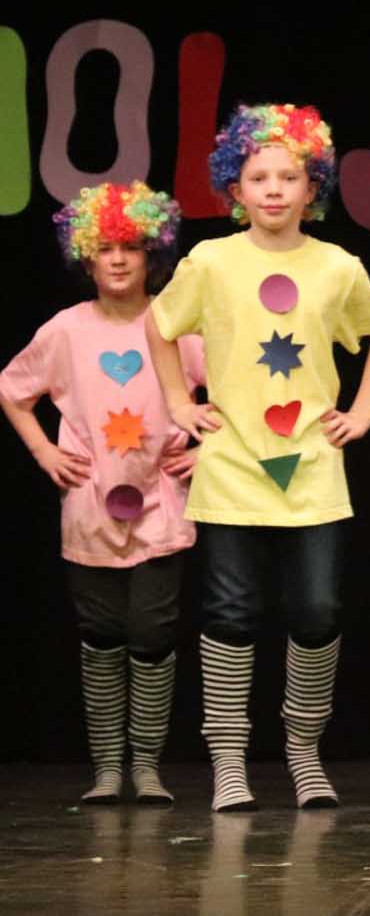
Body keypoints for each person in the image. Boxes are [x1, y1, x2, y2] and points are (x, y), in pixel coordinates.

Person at [146, 103, 370, 813]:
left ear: (312, 185)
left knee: (317, 610)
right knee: (230, 611)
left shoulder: (337, 267)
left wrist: (365, 410)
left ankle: (303, 749)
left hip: (311, 465)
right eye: (258, 177)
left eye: (289, 176)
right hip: (232, 464)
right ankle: (229, 760)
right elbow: (160, 325)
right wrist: (178, 402)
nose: (274, 189)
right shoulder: (211, 261)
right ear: (235, 187)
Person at [2, 182, 200, 804]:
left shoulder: (177, 326)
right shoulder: (66, 330)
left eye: (130, 248)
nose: (117, 260)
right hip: (90, 504)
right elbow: (13, 389)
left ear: (152, 255)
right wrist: (44, 451)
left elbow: (233, 395)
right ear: (85, 258)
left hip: (162, 503)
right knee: (101, 630)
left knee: (153, 630)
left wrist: (207, 451)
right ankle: (108, 768)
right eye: (105, 249)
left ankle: (147, 766)